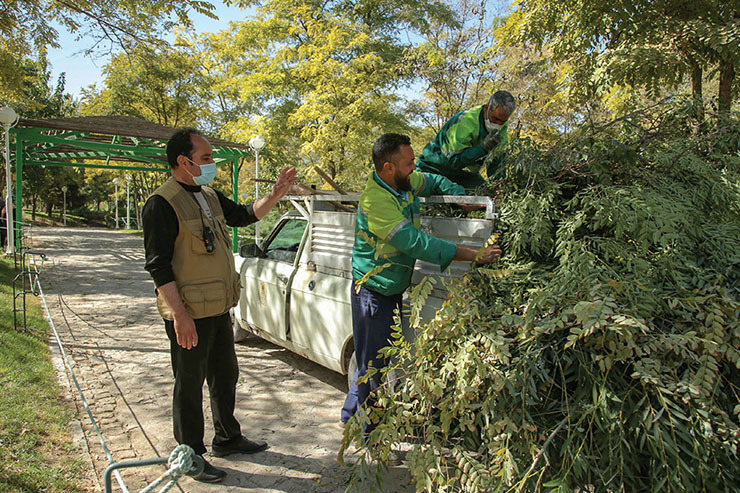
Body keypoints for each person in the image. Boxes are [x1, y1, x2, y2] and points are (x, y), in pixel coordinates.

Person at [142, 128, 297, 483]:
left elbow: (244, 215)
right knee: (189, 383)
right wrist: (179, 316)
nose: (213, 164)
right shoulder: (161, 203)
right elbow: (158, 266)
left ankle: (227, 437)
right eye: (207, 158)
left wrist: (275, 194)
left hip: (217, 309)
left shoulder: (209, 195)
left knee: (225, 375)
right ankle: (190, 455)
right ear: (184, 161)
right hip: (189, 314)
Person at [340, 133, 502, 434]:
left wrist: (460, 198)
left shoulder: (404, 181)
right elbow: (417, 244)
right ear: (388, 167)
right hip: (373, 294)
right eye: (409, 163)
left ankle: (350, 416)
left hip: (391, 289)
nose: (415, 167)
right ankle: (370, 435)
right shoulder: (376, 202)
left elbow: (434, 182)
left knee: (370, 360)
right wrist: (472, 255)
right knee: (375, 366)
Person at [416, 90, 516, 190]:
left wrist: (499, 186)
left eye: (502, 121)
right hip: (435, 169)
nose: (497, 124)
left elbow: (497, 162)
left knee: (486, 193)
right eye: (495, 119)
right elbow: (455, 161)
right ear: (486, 108)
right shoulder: (465, 121)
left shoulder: (502, 129)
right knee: (454, 195)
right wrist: (483, 149)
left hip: (464, 176)